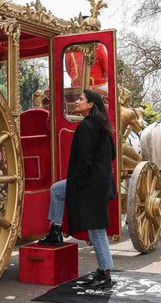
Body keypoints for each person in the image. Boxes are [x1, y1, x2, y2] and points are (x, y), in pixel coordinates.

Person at [38, 89, 116, 289]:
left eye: (81, 99)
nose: (77, 102)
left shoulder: (85, 127)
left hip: (88, 185)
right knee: (57, 191)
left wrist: (77, 186)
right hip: (99, 184)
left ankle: (105, 274)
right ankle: (56, 230)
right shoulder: (104, 127)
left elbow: (83, 161)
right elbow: (112, 155)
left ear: (90, 105)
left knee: (96, 230)